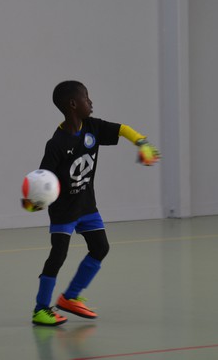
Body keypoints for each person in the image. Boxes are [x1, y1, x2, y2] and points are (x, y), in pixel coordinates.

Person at [25, 80, 160, 326]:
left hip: (87, 205)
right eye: (86, 98)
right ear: (73, 104)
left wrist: (142, 143)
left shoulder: (93, 128)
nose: (91, 102)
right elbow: (44, 178)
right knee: (58, 255)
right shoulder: (56, 143)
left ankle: (70, 297)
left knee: (100, 248)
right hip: (64, 210)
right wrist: (35, 201)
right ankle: (41, 309)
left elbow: (122, 129)